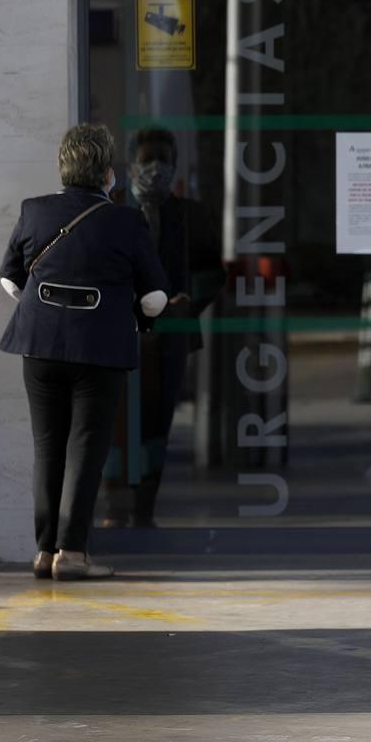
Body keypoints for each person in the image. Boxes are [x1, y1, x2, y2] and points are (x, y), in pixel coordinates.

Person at [0, 123, 169, 581]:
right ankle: (72, 554)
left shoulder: (34, 211)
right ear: (107, 174)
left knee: (47, 448)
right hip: (100, 350)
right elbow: (155, 298)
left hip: (38, 346)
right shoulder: (126, 221)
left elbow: (11, 280)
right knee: (86, 449)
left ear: (63, 167)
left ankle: (43, 551)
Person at [102, 127, 225, 528]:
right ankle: (115, 508)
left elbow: (212, 272)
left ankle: (145, 509)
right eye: (147, 159)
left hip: (170, 337)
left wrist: (189, 300)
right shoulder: (112, 210)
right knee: (116, 425)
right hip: (121, 335)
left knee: (157, 425)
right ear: (131, 164)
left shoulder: (191, 214)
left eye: (164, 160)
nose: (156, 169)